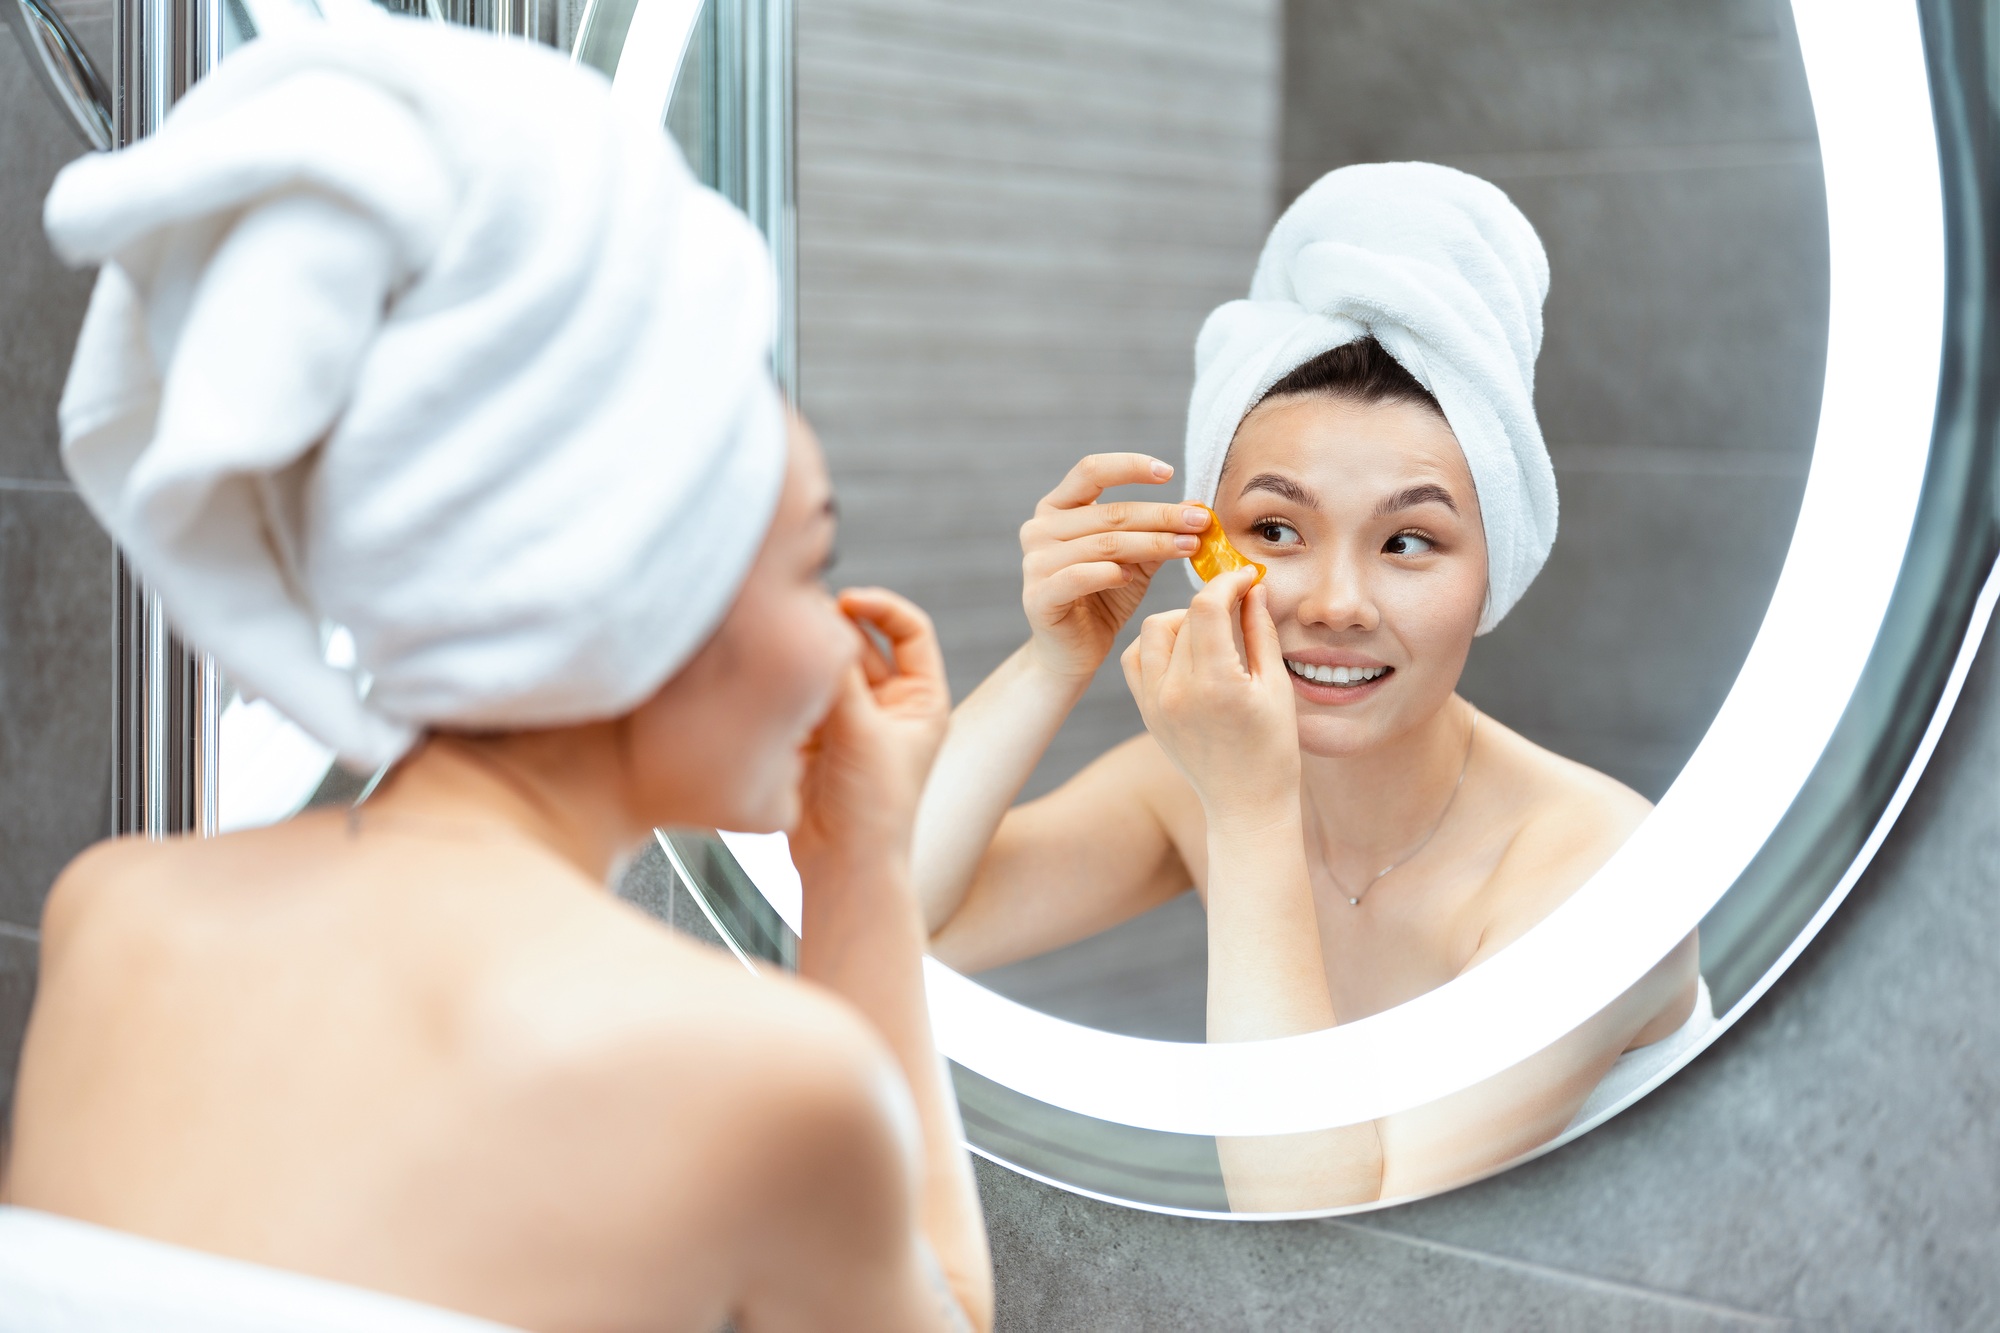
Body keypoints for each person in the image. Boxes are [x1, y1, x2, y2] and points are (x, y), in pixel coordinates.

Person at [0, 15, 991, 1331]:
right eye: (813, 565)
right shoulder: (761, 1082)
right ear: (653, 592)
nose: (839, 645)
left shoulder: (116, 914)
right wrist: (859, 864)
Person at [911, 164, 1704, 1212]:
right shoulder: (1185, 785)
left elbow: (1322, 1241)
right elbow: (897, 913)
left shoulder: (1600, 874)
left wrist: (1247, 817)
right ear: (1204, 548)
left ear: (1491, 572)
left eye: (1408, 541)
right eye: (1275, 530)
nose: (1333, 601)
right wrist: (1052, 659)